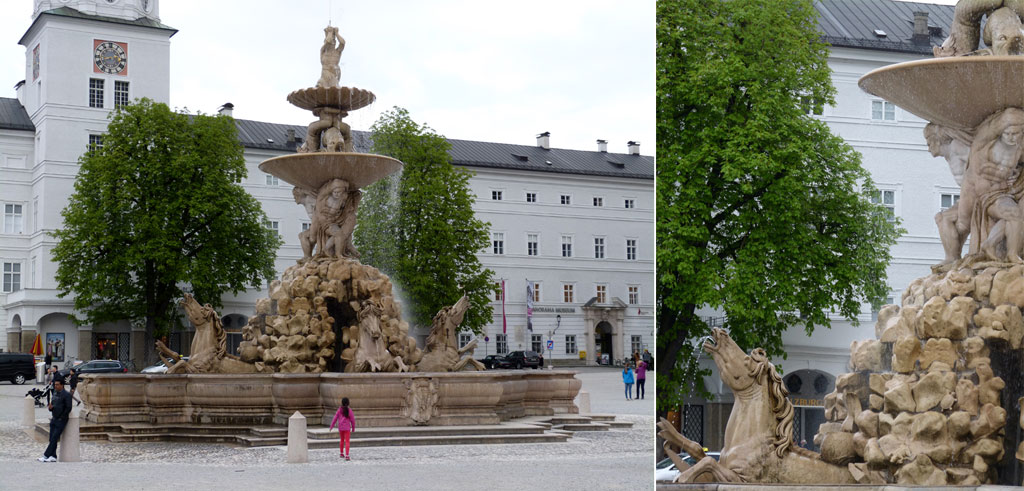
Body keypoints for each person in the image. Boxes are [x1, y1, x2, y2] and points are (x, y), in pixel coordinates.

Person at [38, 379, 72, 462]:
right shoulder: (55, 393)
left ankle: (46, 455)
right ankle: (53, 456)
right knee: (51, 438)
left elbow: (68, 407)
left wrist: (62, 417)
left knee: (54, 437)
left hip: (61, 419)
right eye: (55, 385)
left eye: (57, 384)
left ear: (62, 385)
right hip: (54, 417)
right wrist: (51, 408)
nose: (55, 386)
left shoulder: (66, 395)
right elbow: (53, 404)